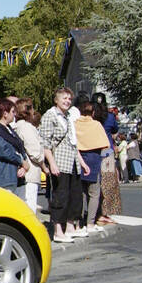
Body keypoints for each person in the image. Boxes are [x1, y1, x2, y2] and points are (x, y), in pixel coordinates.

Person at [39, 88, 88, 244]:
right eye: (64, 98)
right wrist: (51, 163)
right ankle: (58, 230)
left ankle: (70, 226)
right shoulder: (50, 115)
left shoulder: (67, 116)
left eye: (69, 98)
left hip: (72, 160)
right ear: (56, 100)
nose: (67, 101)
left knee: (74, 195)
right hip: (60, 161)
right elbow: (45, 142)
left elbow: (73, 142)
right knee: (61, 196)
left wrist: (82, 163)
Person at [74, 97, 111, 234]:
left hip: (79, 158)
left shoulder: (75, 124)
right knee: (94, 193)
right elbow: (105, 144)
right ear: (93, 113)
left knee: (81, 193)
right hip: (94, 158)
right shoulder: (96, 125)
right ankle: (90, 222)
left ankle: (79, 222)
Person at [0, 99, 30, 198]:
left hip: (14, 177)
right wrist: (21, 161)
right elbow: (3, 151)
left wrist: (23, 166)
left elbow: (19, 147)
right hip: (3, 178)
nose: (15, 114)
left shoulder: (8, 129)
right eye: (13, 112)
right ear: (5, 113)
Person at [12, 99, 46, 214]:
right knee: (29, 208)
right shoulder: (26, 127)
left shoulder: (16, 127)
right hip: (30, 172)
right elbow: (35, 153)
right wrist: (44, 165)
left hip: (22, 173)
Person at [91, 95, 121, 223]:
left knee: (94, 184)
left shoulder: (91, 117)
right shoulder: (110, 117)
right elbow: (115, 130)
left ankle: (94, 212)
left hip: (93, 150)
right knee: (108, 183)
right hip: (107, 151)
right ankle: (105, 213)